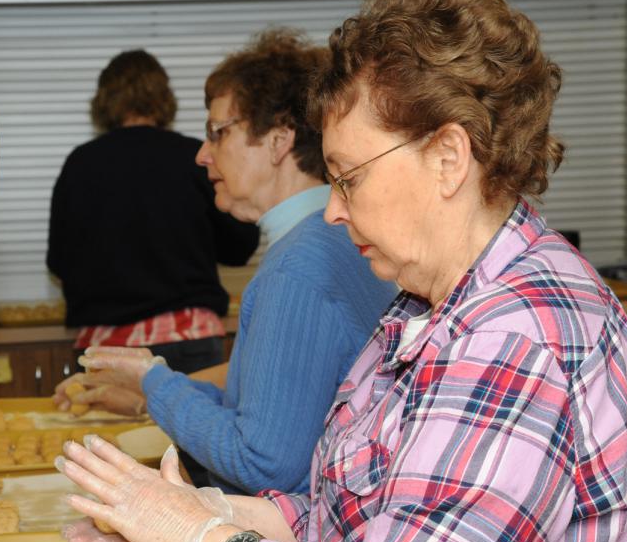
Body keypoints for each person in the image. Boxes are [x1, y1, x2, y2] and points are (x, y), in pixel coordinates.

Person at [58, 0, 627, 542]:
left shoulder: (514, 336)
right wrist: (200, 511)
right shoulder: (423, 302)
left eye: (348, 178)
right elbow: (358, 525)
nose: (333, 212)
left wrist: (201, 539)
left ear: (448, 158)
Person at [54, 30, 397, 496]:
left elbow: (261, 461)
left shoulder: (297, 269)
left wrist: (154, 381)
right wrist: (150, 396)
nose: (201, 153)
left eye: (219, 132)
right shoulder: (333, 239)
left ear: (278, 141)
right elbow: (267, 415)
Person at [47, 49, 259, 374]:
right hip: (188, 339)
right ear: (164, 99)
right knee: (192, 424)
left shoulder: (81, 164)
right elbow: (239, 246)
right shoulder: (195, 158)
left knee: (98, 428)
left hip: (104, 345)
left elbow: (59, 263)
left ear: (104, 101)